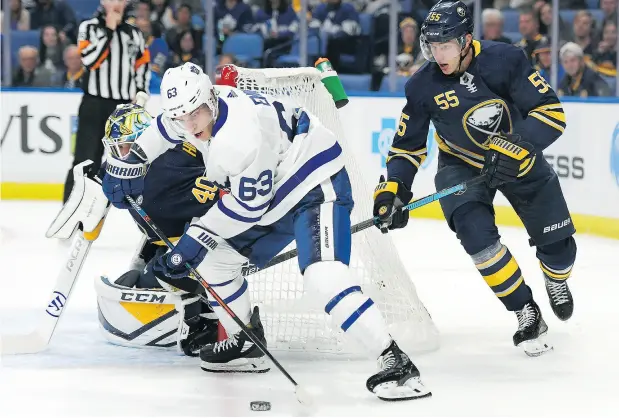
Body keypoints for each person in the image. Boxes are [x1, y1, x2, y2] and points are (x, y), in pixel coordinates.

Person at [100, 62, 431, 401]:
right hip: (273, 191)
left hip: (315, 187)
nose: (190, 125)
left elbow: (247, 210)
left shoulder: (239, 138)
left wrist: (194, 238)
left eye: (195, 114)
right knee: (212, 262)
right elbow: (161, 129)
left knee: (323, 275)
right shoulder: (194, 110)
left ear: (210, 99)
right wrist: (130, 162)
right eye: (182, 117)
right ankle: (245, 341)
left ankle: (395, 362)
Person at [374, 1, 576, 357]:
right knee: (477, 237)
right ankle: (524, 310)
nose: (437, 55)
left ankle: (555, 279)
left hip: (518, 158)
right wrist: (394, 188)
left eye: (445, 46)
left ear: (466, 40)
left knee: (561, 250)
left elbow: (551, 112)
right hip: (462, 166)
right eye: (432, 46)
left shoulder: (505, 60)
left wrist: (517, 146)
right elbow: (407, 148)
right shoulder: (422, 85)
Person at [62, 0, 150, 203]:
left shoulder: (134, 33)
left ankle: (107, 205)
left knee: (123, 161)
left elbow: (142, 65)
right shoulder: (89, 27)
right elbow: (90, 61)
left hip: (121, 108)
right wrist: (109, 30)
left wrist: (141, 92)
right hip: (94, 103)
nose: (117, 3)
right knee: (85, 158)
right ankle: (70, 207)